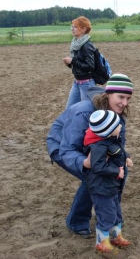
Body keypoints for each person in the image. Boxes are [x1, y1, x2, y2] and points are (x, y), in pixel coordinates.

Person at [46, 74, 134, 239]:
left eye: (128, 98)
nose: (125, 103)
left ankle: (109, 213)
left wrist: (124, 156)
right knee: (94, 177)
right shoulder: (84, 111)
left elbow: (114, 141)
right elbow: (67, 149)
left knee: (117, 172)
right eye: (121, 97)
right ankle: (76, 221)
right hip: (62, 145)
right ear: (108, 93)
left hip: (91, 145)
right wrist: (85, 162)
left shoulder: (117, 112)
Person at [84, 109, 133, 255]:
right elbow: (97, 166)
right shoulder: (98, 147)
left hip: (112, 186)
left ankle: (116, 236)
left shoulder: (111, 140)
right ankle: (102, 242)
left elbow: (118, 151)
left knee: (117, 213)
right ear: (109, 130)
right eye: (118, 125)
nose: (120, 127)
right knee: (107, 214)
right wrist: (116, 172)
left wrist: (126, 157)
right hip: (102, 188)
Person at [63, 16, 96, 109]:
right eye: (72, 26)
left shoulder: (86, 45)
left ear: (83, 29)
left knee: (86, 112)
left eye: (75, 26)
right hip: (77, 82)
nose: (72, 29)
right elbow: (79, 67)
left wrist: (73, 61)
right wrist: (69, 64)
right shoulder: (76, 44)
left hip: (87, 84)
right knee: (69, 110)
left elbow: (90, 66)